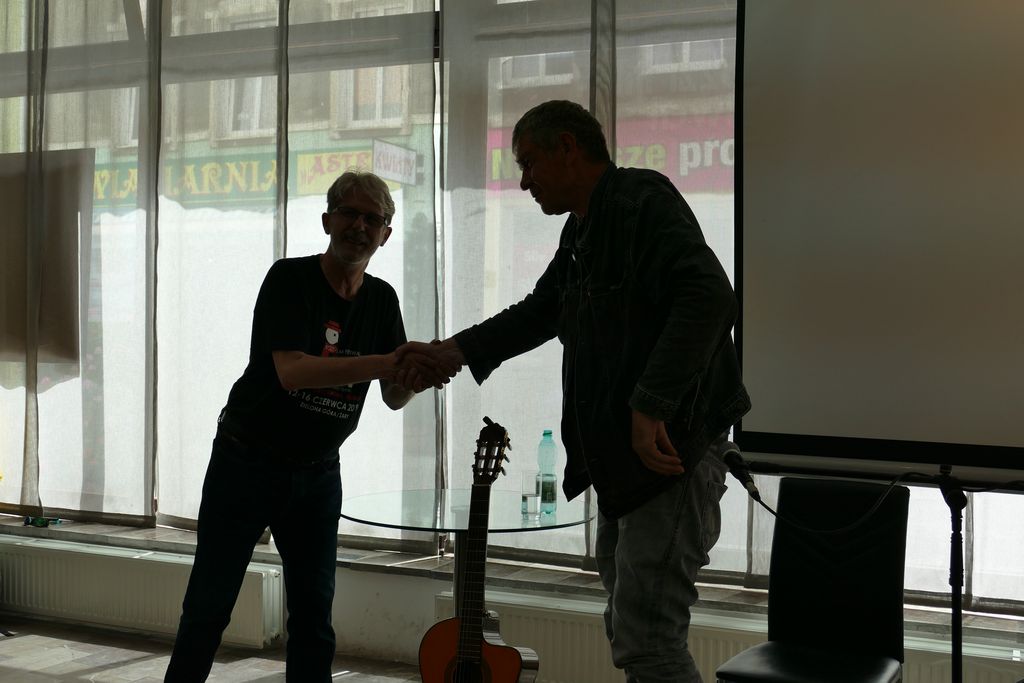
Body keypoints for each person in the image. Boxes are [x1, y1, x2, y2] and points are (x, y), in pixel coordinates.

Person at [400, 100, 751, 682]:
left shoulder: (640, 200)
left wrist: (649, 405)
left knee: (648, 641)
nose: (524, 181)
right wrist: (453, 351)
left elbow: (710, 297)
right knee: (633, 632)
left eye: (529, 162)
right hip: (627, 471)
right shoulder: (581, 230)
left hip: (671, 459)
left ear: (568, 147)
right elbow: (542, 310)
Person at [164, 170, 454, 682]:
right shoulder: (289, 279)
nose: (359, 226)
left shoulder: (382, 300)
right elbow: (293, 372)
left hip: (318, 474)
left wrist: (418, 374)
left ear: (386, 235)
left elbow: (393, 396)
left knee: (314, 617)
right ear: (327, 220)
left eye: (373, 219)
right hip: (245, 463)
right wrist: (388, 362)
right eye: (349, 213)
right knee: (209, 607)